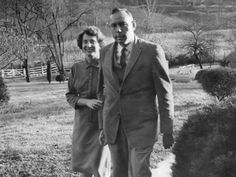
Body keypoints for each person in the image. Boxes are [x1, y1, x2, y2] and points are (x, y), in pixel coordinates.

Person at [98, 8, 174, 177]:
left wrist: (167, 129)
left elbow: (164, 93)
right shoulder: (104, 53)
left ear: (133, 25)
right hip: (114, 127)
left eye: (123, 25)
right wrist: (102, 126)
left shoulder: (152, 51)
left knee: (139, 171)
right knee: (118, 173)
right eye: (113, 25)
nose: (118, 30)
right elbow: (103, 92)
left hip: (142, 127)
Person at [66, 26, 105, 177]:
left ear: (99, 43)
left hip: (103, 123)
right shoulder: (76, 68)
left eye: (92, 41)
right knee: (85, 168)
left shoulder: (107, 67)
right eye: (85, 42)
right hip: (83, 125)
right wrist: (85, 102)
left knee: (101, 168)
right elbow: (70, 95)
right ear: (81, 45)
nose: (88, 45)